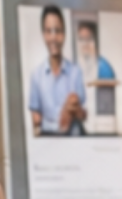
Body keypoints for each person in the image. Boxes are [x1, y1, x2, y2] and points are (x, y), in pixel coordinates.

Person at [27, 5, 85, 136]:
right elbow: (36, 119)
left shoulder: (76, 72)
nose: (53, 37)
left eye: (58, 31)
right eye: (49, 31)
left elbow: (82, 115)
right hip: (48, 139)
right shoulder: (36, 75)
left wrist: (73, 109)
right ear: (43, 35)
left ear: (64, 34)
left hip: (72, 139)